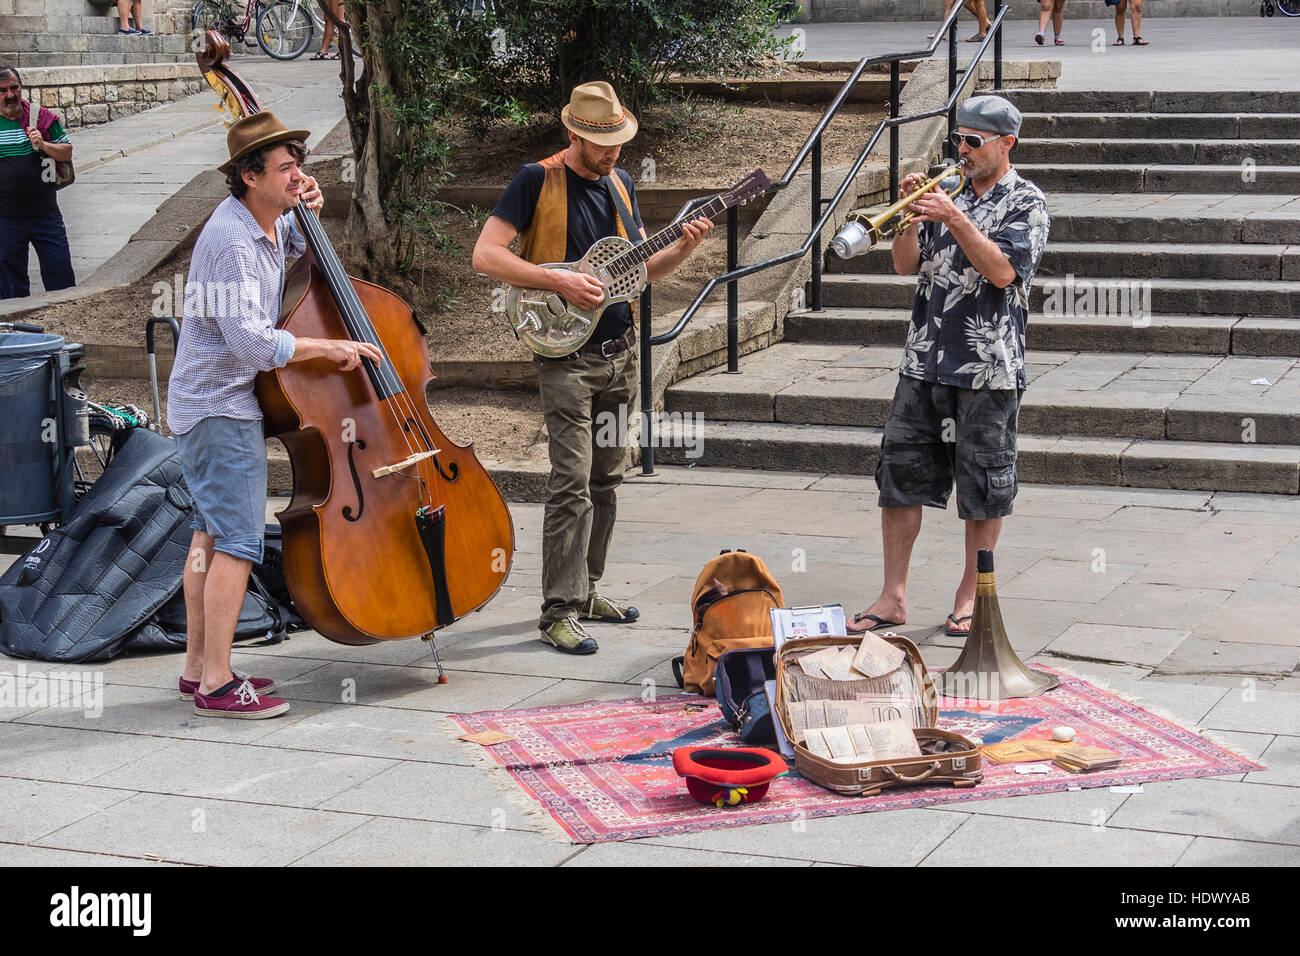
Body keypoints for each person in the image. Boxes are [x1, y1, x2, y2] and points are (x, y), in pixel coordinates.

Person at [472, 82, 712, 655]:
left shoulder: (622, 184)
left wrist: (684, 248)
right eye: (603, 145)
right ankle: (557, 610)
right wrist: (560, 278)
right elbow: (486, 255)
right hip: (565, 358)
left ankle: (587, 591)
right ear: (574, 134)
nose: (612, 155)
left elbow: (638, 273)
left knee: (607, 478)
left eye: (619, 145)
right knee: (571, 483)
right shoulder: (536, 179)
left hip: (619, 355)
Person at [167, 111, 382, 717]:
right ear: (248, 175)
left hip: (212, 402)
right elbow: (253, 345)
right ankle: (215, 684)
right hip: (219, 405)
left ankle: (197, 670)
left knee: (210, 534)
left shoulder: (261, 223)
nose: (297, 176)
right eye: (287, 169)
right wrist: (330, 347)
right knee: (236, 541)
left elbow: (294, 250)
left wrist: (306, 211)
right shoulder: (233, 240)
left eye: (299, 167)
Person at [847, 95, 1049, 638]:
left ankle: (970, 595)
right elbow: (905, 264)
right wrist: (910, 214)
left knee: (984, 484)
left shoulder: (1026, 202)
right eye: (956, 139)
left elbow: (1003, 272)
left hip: (987, 369)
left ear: (1007, 143)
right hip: (923, 360)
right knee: (900, 478)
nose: (960, 150)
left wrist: (954, 216)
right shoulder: (944, 191)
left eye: (973, 142)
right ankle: (892, 597)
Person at [0, 65, 76, 299]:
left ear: (21, 88)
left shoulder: (40, 117)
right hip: (6, 219)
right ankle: (16, 332)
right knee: (10, 287)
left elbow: (67, 152)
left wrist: (43, 144)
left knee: (60, 278)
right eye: (2, 90)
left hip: (46, 216)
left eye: (14, 88)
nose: (10, 95)